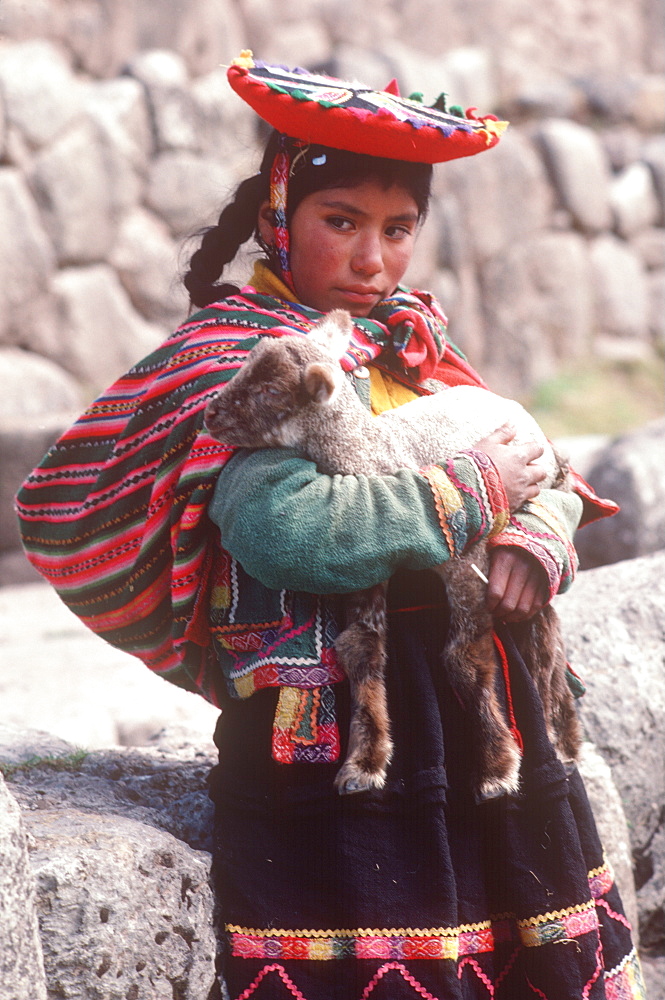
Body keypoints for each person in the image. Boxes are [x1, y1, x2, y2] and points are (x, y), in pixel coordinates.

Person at [16, 54, 645, 1000]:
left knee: (527, 955)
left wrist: (535, 538)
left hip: (484, 718)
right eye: (340, 222)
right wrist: (471, 496)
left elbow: (541, 463)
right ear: (280, 216)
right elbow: (288, 532)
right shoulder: (257, 367)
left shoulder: (414, 346)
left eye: (398, 230)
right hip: (334, 736)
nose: (370, 259)